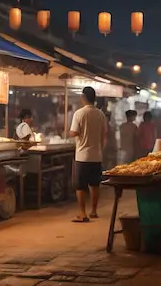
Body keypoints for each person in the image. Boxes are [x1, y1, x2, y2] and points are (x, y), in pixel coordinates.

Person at [69, 86, 107, 223]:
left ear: (83, 97)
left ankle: (82, 213)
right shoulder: (100, 114)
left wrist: (75, 133)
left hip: (82, 156)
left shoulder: (79, 113)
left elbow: (73, 132)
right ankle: (94, 211)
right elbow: (104, 134)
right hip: (96, 155)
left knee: (80, 186)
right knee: (95, 184)